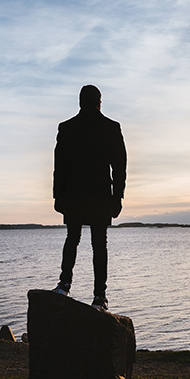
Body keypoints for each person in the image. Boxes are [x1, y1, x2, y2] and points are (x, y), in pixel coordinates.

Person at [51, 84, 127, 311]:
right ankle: (99, 297)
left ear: (80, 102)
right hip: (100, 195)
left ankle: (65, 284)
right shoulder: (111, 127)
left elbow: (59, 167)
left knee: (72, 238)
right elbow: (120, 168)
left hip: (75, 196)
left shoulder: (67, 128)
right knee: (98, 244)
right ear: (99, 102)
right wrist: (117, 197)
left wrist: (58, 195)